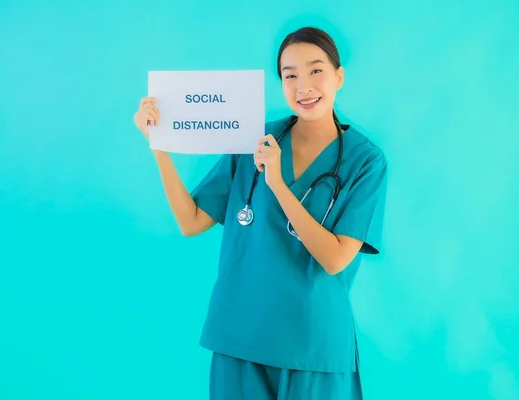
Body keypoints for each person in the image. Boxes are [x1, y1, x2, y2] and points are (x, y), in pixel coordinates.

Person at [134, 26, 387, 400]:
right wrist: (158, 144)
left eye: (316, 70)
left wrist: (279, 185)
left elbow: (335, 258)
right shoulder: (252, 139)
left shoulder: (365, 162)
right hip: (241, 339)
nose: (304, 86)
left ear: (339, 76)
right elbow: (191, 222)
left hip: (312, 347)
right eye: (290, 75)